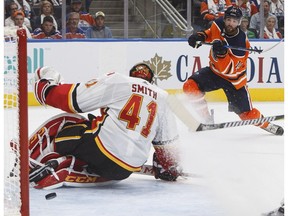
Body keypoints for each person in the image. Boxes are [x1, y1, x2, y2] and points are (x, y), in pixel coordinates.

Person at [28, 63, 182, 189]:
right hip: (125, 170)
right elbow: (166, 147)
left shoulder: (120, 81)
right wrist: (169, 168)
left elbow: (73, 100)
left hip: (100, 150)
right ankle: (69, 166)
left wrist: (46, 86)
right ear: (152, 80)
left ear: (131, 75)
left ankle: (28, 161)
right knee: (93, 133)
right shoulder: (162, 97)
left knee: (67, 122)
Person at [186, 6, 283, 135]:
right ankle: (206, 119)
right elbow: (211, 32)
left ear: (239, 22)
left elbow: (229, 70)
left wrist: (221, 54)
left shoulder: (240, 43)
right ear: (224, 19)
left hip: (234, 80)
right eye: (229, 19)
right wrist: (200, 36)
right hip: (215, 72)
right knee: (190, 87)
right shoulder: (219, 23)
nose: (231, 23)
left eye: (234, 21)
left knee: (246, 115)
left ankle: (266, 124)